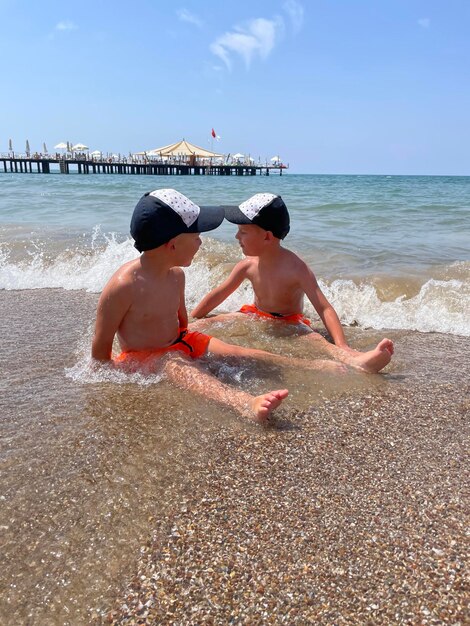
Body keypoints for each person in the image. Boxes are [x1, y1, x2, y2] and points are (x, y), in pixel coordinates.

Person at [91, 189, 342, 424]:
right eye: (197, 237)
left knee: (238, 352)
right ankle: (244, 402)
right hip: (149, 357)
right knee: (188, 373)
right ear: (172, 245)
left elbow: (182, 323)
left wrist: (195, 344)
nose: (201, 243)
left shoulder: (177, 275)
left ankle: (310, 366)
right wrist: (126, 373)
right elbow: (100, 352)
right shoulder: (123, 286)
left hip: (182, 340)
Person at [191, 193, 394, 373]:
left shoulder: (297, 268)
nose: (236, 237)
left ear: (267, 236)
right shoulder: (247, 265)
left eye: (243, 232)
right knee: (206, 323)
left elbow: (324, 308)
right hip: (253, 313)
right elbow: (220, 293)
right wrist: (196, 315)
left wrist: (342, 344)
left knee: (320, 343)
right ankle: (182, 333)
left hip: (290, 321)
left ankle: (358, 360)